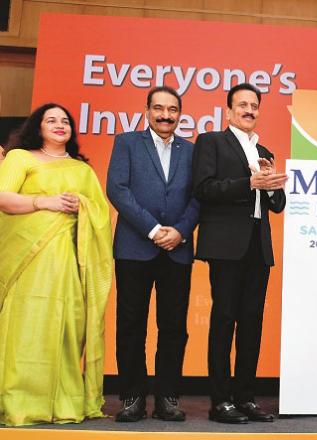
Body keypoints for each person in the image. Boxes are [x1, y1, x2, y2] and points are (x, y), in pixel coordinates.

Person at [0, 103, 112, 426]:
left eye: (65, 121)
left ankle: (63, 402)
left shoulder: (82, 170)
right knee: (25, 328)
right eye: (51, 120)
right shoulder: (20, 158)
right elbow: (3, 197)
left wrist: (84, 206)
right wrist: (43, 202)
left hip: (68, 265)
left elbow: (102, 215)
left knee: (67, 327)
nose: (60, 125)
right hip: (26, 263)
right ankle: (18, 400)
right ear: (38, 127)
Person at [192, 83, 287, 424]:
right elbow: (203, 189)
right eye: (242, 105)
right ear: (228, 111)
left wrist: (273, 184)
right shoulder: (211, 142)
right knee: (223, 320)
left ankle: (245, 398)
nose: (249, 110)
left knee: (252, 323)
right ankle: (220, 402)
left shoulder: (264, 150)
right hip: (226, 245)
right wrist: (249, 184)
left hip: (258, 248)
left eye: (254, 105)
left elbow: (276, 205)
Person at [107, 86, 199, 422]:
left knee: (174, 327)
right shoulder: (127, 142)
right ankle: (132, 398)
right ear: (147, 110)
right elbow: (117, 189)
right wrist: (153, 229)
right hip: (134, 248)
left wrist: (180, 231)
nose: (165, 115)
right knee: (131, 324)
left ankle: (167, 399)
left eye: (172, 109)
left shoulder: (191, 151)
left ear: (179, 114)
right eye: (158, 108)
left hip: (177, 248)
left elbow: (199, 197)